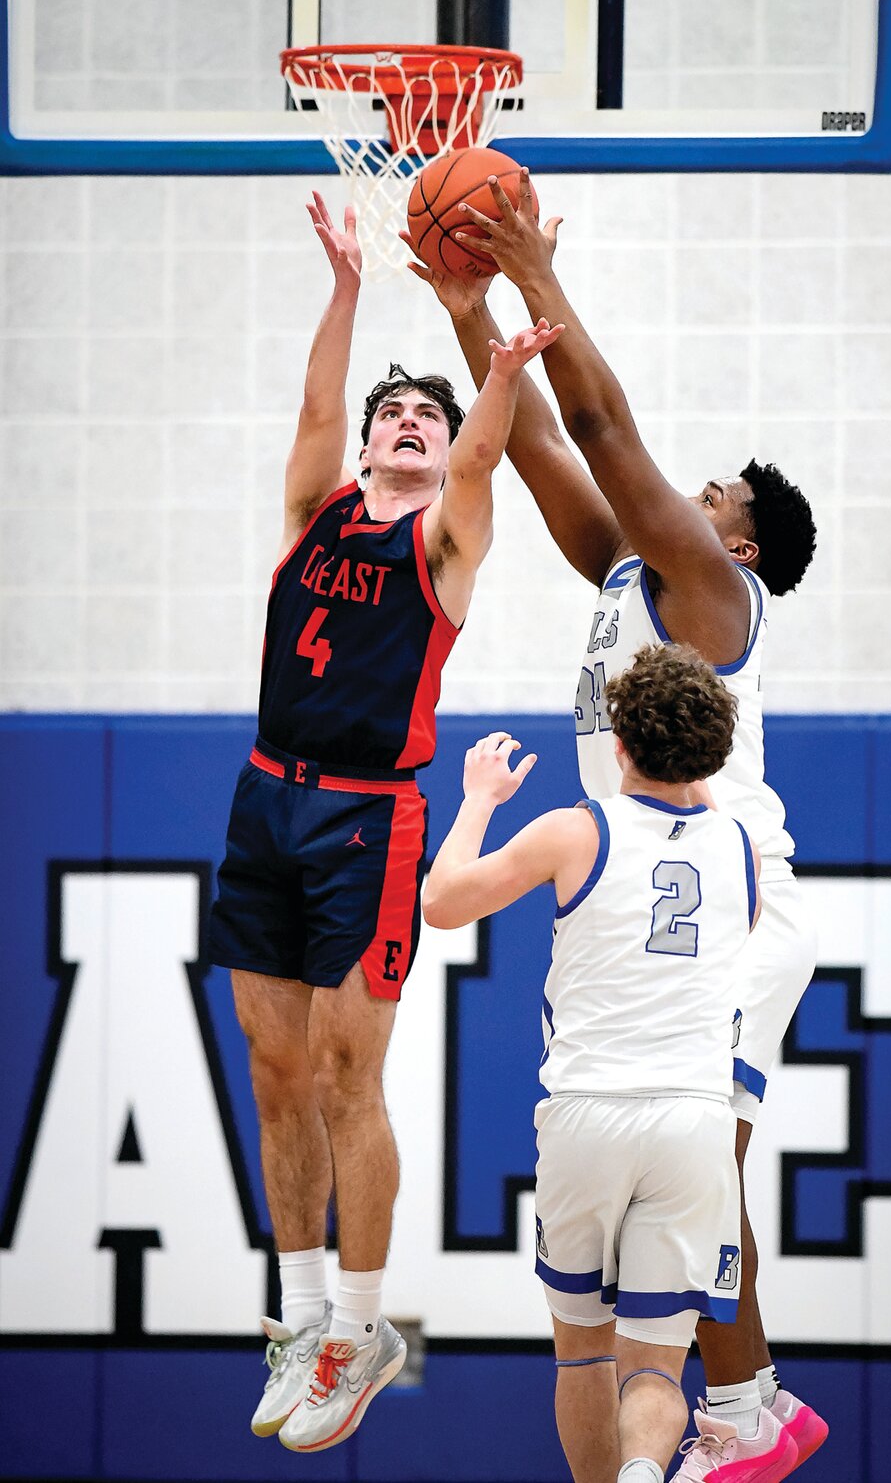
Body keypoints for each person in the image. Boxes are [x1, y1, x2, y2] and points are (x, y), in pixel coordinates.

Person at [405, 174, 827, 1481]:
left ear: (742, 543)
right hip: (656, 867)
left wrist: (534, 269)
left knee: (704, 1168)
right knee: (685, 1171)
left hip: (725, 887)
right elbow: (537, 439)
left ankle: (751, 1408)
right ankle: (742, 1404)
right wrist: (480, 316)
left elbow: (596, 420)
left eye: (711, 494)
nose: (684, 498)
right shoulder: (634, 575)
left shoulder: (712, 590)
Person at [208, 192, 562, 1454]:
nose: (408, 424)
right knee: (273, 1070)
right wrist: (348, 287)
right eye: (390, 415)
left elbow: (479, 458)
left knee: (353, 1075)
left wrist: (505, 364)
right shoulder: (314, 512)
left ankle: (363, 1327)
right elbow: (314, 410)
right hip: (267, 799)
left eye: (426, 416)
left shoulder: (447, 540)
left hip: (372, 818)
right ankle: (301, 1317)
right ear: (363, 447)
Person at [423, 642, 793, 1483]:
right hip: (695, 1123)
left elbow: (440, 904)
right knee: (657, 1365)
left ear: (617, 743)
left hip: (590, 1113)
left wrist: (478, 801)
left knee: (584, 1356)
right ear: (713, 751)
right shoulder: (742, 853)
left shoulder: (574, 830)